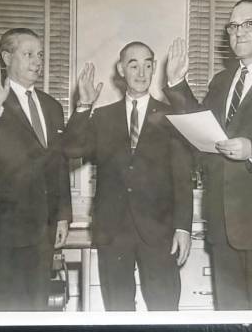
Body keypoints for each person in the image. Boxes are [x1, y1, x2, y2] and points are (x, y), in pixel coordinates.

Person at [164, 0, 252, 310]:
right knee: (230, 317)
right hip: (222, 225)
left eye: (247, 24)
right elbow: (203, 128)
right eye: (232, 26)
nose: (238, 32)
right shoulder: (221, 80)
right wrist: (177, 83)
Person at [62, 42, 194, 311]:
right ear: (121, 70)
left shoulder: (171, 117)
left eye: (148, 64)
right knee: (118, 311)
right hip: (113, 232)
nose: (141, 72)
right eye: (133, 64)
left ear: (154, 67)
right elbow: (72, 149)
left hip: (159, 232)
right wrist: (83, 106)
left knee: (165, 310)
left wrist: (183, 227)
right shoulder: (101, 117)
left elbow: (182, 176)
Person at [0, 28, 72, 311]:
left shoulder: (52, 106)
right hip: (1, 233)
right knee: (1, 311)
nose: (37, 61)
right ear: (6, 57)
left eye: (40, 55)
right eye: (28, 54)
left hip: (41, 233)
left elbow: (58, 163)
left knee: (36, 310)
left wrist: (62, 216)